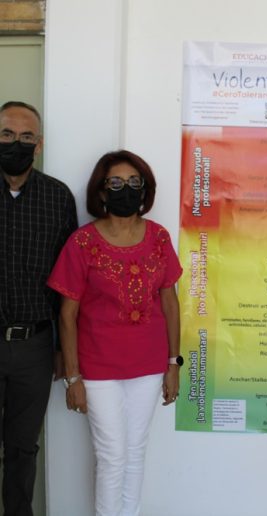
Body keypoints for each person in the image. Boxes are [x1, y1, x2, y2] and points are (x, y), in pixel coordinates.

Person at [47, 149, 183, 516]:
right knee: (111, 455)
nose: (127, 189)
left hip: (149, 364)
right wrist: (73, 377)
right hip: (98, 367)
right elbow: (67, 314)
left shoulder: (158, 237)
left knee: (135, 451)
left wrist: (173, 363)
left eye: (134, 182)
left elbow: (170, 303)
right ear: (102, 192)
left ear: (145, 189)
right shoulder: (83, 242)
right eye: (117, 183)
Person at [0, 100, 78, 515]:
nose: (17, 143)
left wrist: (64, 349)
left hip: (34, 347)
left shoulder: (58, 197)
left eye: (26, 136)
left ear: (39, 143)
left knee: (22, 448)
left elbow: (68, 283)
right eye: (7, 134)